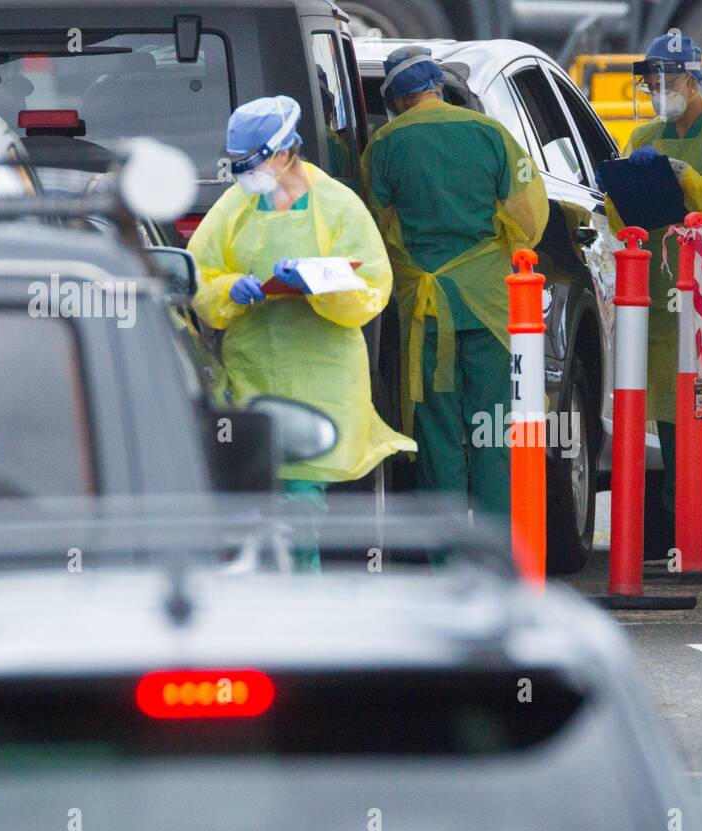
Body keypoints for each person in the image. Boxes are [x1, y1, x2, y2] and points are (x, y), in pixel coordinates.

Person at [188, 95, 414, 539]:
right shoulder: (236, 207)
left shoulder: (337, 204)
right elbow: (198, 274)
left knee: (301, 498)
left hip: (322, 374)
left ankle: (299, 579)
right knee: (262, 491)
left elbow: (372, 288)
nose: (244, 175)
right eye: (237, 164)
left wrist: (319, 285)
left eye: (252, 162)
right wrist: (229, 288)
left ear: (285, 150)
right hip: (254, 368)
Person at [361, 46, 547, 520]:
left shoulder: (382, 146)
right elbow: (528, 217)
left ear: (397, 99)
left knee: (435, 431)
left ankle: (447, 556)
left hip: (424, 309)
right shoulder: (489, 132)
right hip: (490, 304)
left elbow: (377, 229)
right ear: (438, 87)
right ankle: (497, 551)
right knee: (492, 426)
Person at [600, 32, 702, 551]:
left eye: (668, 79)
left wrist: (688, 177)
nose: (659, 89)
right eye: (652, 81)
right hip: (662, 281)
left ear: (693, 79)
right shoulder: (644, 134)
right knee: (671, 403)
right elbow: (618, 211)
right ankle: (682, 531)